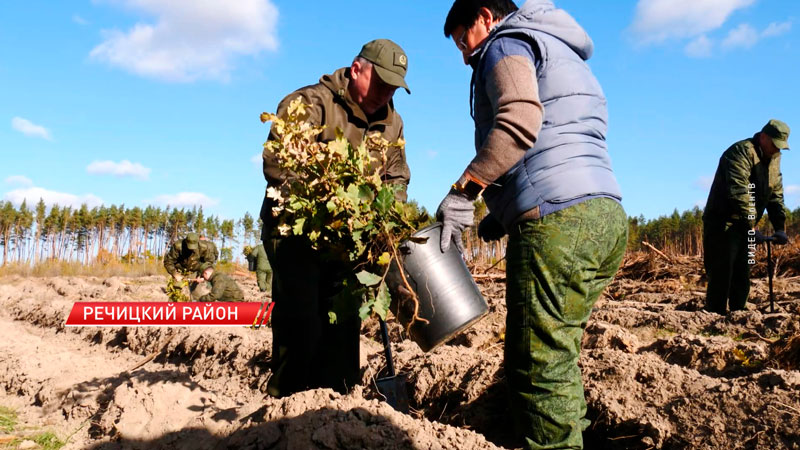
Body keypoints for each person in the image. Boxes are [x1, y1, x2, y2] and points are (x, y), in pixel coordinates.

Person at [439, 1, 627, 448]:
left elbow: (520, 119)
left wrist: (465, 190)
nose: (464, 53)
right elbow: (559, 142)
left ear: (485, 16)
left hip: (558, 225)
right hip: (603, 213)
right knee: (557, 355)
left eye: (462, 38)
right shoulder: (558, 47)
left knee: (536, 367)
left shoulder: (505, 45)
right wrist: (501, 216)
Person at [260, 39, 411, 397]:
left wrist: (383, 219)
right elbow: (279, 164)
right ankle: (286, 407)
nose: (385, 93)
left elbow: (397, 176)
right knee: (302, 321)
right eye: (380, 83)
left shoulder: (392, 123)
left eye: (393, 87)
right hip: (296, 234)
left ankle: (338, 409)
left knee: (343, 324)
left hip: (349, 242)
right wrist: (331, 208)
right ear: (357, 69)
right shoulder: (309, 103)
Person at [702, 119, 790, 315]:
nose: (777, 150)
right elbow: (740, 192)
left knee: (743, 271)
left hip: (746, 224)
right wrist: (751, 227)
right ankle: (714, 317)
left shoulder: (774, 158)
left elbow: (775, 193)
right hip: (723, 223)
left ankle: (738, 315)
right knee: (722, 272)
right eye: (775, 144)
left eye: (780, 147)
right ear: (763, 137)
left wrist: (779, 228)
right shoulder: (740, 152)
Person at [164, 232, 218, 299]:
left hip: (195, 271)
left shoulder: (204, 247)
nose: (191, 249)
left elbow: (208, 262)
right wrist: (175, 274)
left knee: (197, 295)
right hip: (179, 270)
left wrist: (201, 275)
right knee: (175, 295)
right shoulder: (178, 246)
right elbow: (168, 261)